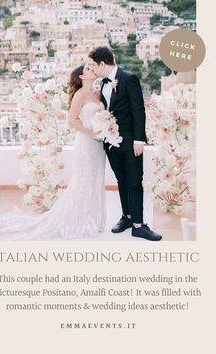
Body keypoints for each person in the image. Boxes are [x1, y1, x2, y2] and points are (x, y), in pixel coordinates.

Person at [1, 64, 106, 240]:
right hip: (86, 142)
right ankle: (79, 220)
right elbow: (71, 121)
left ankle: (94, 219)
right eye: (88, 69)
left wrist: (105, 129)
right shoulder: (80, 95)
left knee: (97, 179)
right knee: (83, 179)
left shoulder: (97, 93)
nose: (91, 69)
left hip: (99, 144)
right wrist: (92, 133)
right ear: (81, 77)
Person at [88, 46, 162, 241]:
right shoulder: (102, 84)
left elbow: (139, 110)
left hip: (131, 142)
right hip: (111, 143)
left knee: (134, 181)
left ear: (102, 63)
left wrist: (139, 140)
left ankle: (139, 225)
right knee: (122, 180)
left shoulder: (129, 79)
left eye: (94, 65)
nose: (92, 69)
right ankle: (127, 217)